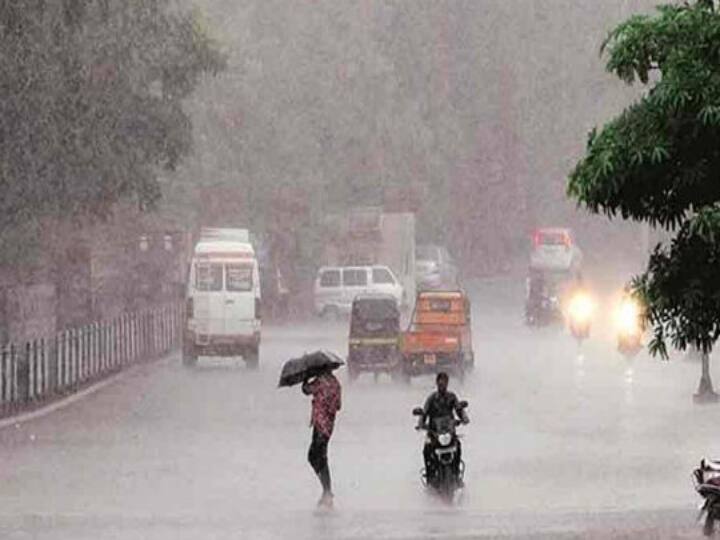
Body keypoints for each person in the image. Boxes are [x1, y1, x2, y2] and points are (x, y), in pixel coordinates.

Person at [417, 372, 469, 482]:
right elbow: (424, 412)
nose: (442, 385)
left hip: (449, 431)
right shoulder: (431, 399)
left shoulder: (452, 397)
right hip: (434, 432)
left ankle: (456, 473)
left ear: (447, 383)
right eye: (440, 382)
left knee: (458, 445)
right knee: (426, 450)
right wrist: (421, 423)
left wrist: (464, 418)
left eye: (444, 382)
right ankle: (430, 476)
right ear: (437, 383)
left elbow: (459, 409)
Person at [302, 368, 342, 508]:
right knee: (320, 456)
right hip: (329, 426)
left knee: (314, 456)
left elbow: (306, 390)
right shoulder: (335, 383)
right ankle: (326, 490)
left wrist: (305, 377)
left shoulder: (320, 382)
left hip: (320, 425)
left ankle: (327, 491)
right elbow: (338, 406)